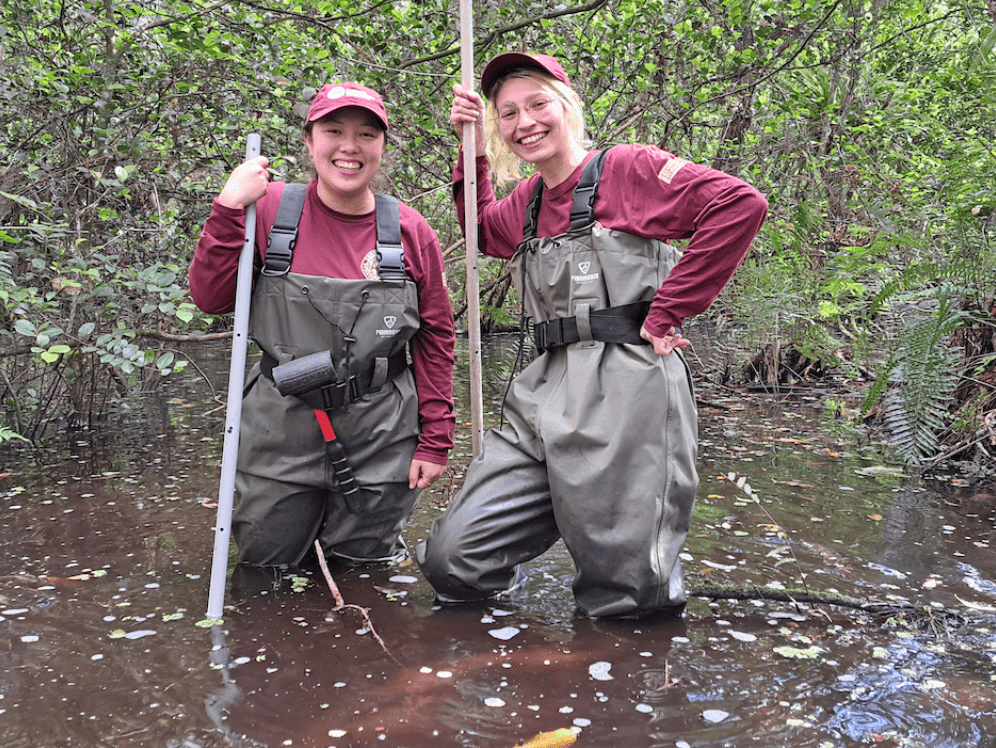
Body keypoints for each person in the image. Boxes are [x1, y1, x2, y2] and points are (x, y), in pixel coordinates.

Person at [417, 53, 767, 618]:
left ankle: (621, 690)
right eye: (507, 114)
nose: (524, 122)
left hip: (630, 385)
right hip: (544, 387)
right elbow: (480, 230)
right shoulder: (526, 203)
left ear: (567, 105)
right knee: (455, 559)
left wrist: (668, 312)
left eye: (537, 104)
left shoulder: (629, 169)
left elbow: (739, 204)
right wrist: (472, 151)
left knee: (627, 597)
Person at [189, 82, 455, 570]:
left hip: (382, 431)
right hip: (281, 427)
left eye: (366, 134)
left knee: (364, 574)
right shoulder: (265, 209)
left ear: (382, 147)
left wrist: (435, 437)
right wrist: (227, 210)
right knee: (266, 571)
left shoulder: (412, 231)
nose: (349, 147)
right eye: (333, 130)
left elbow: (435, 339)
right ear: (309, 141)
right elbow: (211, 300)